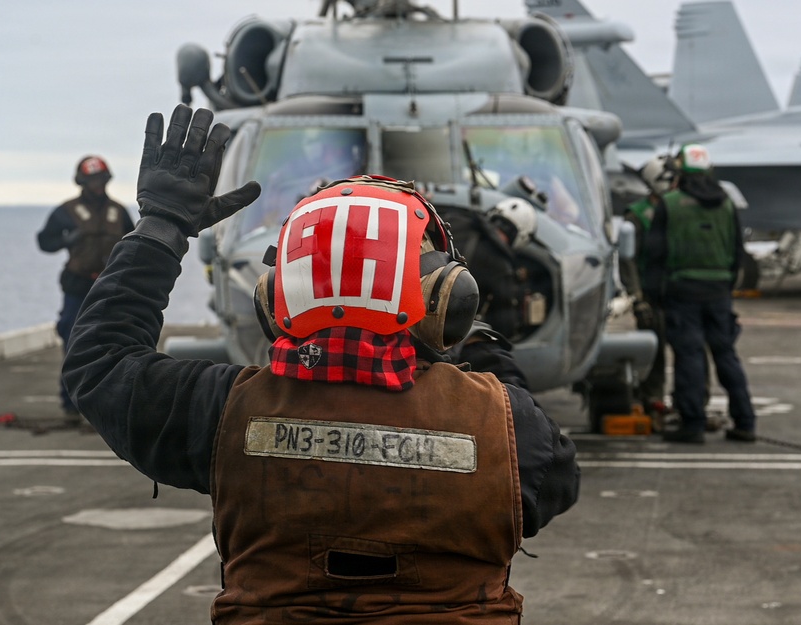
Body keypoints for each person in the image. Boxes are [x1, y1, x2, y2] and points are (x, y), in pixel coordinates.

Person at [63, 104, 579, 623]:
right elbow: (551, 476)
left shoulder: (221, 412)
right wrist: (483, 349)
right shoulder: (510, 430)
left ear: (275, 296)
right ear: (447, 301)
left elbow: (99, 361)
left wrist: (162, 227)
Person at [645, 144, 758, 444]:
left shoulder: (668, 204)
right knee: (726, 355)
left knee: (690, 358)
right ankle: (745, 421)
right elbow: (737, 252)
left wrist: (653, 296)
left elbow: (655, 255)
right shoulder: (727, 205)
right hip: (719, 292)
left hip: (682, 293)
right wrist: (726, 285)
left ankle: (692, 424)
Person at [36, 155, 134, 422]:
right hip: (78, 286)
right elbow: (44, 241)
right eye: (92, 180)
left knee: (117, 340)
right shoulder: (66, 211)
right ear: (82, 182)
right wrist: (65, 239)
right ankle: (70, 403)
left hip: (111, 287)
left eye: (101, 179)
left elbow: (134, 242)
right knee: (71, 335)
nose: (98, 184)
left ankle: (112, 399)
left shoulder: (118, 211)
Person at [620, 155, 675, 424]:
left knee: (688, 352)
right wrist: (638, 297)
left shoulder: (675, 208)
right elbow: (628, 260)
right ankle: (652, 400)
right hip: (652, 295)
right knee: (654, 353)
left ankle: (685, 404)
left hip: (675, 291)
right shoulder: (638, 214)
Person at [442, 197, 538, 340]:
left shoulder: (453, 221)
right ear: (521, 236)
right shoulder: (501, 266)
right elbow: (505, 326)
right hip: (441, 334)